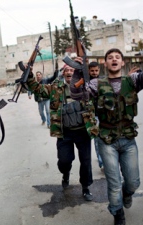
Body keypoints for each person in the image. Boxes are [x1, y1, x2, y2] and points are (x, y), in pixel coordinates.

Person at [68, 31, 143, 225]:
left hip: (128, 139)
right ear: (105, 63)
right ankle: (117, 214)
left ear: (121, 63)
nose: (114, 59)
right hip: (106, 139)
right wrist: (78, 70)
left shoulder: (133, 81)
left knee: (133, 182)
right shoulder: (96, 83)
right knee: (114, 183)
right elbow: (77, 94)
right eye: (110, 57)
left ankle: (127, 195)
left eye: (117, 57)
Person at [27, 65, 97, 201]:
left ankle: (86, 187)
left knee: (86, 162)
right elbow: (38, 89)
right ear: (63, 73)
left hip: (83, 131)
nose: (69, 72)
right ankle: (66, 173)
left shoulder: (85, 86)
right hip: (65, 132)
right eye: (67, 70)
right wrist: (29, 76)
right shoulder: (55, 88)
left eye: (72, 70)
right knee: (64, 160)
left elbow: (100, 87)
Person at [88, 61, 103, 168]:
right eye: (92, 71)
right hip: (92, 116)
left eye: (96, 70)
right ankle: (101, 161)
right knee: (97, 140)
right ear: (89, 71)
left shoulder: (104, 81)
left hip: (104, 115)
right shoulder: (85, 81)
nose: (94, 72)